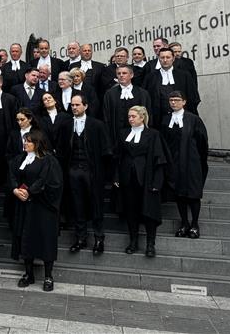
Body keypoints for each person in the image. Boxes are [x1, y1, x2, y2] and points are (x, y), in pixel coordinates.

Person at [57, 95, 111, 255]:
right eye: (72, 105)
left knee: (96, 204)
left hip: (92, 171)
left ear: (85, 106)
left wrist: (103, 174)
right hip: (72, 170)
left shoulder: (97, 125)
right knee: (77, 204)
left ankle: (99, 238)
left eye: (77, 104)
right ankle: (80, 238)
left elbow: (106, 151)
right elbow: (61, 150)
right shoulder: (66, 125)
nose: (74, 107)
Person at [9, 130, 63, 291]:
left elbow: (52, 182)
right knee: (26, 239)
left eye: (29, 142)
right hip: (24, 206)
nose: (25, 144)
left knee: (46, 240)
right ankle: (28, 274)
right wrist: (15, 190)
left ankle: (48, 276)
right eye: (24, 141)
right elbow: (12, 175)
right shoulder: (20, 159)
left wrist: (31, 191)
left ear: (37, 143)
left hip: (43, 208)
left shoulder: (49, 161)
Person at [114, 106, 167, 257]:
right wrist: (116, 177)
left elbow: (159, 159)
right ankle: (133, 241)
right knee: (131, 211)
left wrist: (157, 182)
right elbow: (118, 157)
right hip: (127, 178)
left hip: (147, 178)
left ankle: (150, 244)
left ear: (142, 117)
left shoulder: (153, 134)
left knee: (149, 211)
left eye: (133, 116)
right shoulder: (123, 133)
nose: (130, 119)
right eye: (129, 116)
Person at [160, 91, 208, 239]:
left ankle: (194, 224)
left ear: (184, 102)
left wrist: (196, 159)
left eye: (177, 100)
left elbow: (202, 142)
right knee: (179, 194)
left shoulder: (193, 119)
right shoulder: (166, 119)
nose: (173, 102)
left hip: (191, 162)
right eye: (171, 100)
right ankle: (184, 223)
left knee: (193, 194)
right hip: (174, 162)